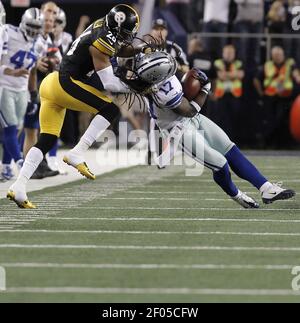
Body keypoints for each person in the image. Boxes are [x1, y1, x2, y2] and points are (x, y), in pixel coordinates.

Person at [116, 50, 295, 208]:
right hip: (179, 129)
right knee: (219, 163)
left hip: (194, 119)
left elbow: (135, 55)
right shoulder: (162, 94)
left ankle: (266, 188)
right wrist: (205, 89)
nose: (172, 68)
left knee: (229, 148)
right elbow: (189, 110)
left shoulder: (147, 70)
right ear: (156, 77)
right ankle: (236, 194)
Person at [7, 4, 140, 209]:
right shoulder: (102, 41)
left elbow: (118, 49)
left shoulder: (102, 27)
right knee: (110, 109)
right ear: (117, 28)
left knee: (47, 139)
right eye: (126, 33)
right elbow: (109, 83)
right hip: (64, 83)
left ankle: (19, 186)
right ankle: (77, 152)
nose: (128, 37)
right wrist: (138, 86)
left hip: (51, 84)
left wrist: (138, 51)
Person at [0, 8, 45, 181]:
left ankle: (5, 167)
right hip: (4, 86)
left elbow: (32, 72)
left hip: (21, 90)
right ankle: (21, 163)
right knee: (11, 128)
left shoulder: (39, 43)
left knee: (16, 129)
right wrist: (12, 72)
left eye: (37, 26)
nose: (34, 30)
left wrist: (33, 94)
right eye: (31, 25)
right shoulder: (7, 32)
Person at [23, 1, 61, 179]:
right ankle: (22, 165)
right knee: (27, 128)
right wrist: (35, 63)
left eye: (53, 14)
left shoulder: (49, 38)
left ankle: (40, 162)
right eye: (48, 13)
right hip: (28, 84)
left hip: (43, 84)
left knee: (39, 128)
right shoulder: (31, 34)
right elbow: (22, 53)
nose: (49, 18)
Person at [254, 46, 300, 148]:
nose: (278, 57)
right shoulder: (268, 65)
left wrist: (297, 78)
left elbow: (296, 75)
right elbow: (257, 79)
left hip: (286, 98)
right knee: (270, 121)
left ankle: (284, 144)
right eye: (275, 55)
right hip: (270, 97)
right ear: (272, 56)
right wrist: (261, 93)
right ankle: (269, 143)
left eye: (279, 55)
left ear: (283, 55)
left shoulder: (290, 64)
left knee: (283, 120)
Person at [213, 44, 244, 143]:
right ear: (223, 53)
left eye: (231, 53)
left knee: (234, 120)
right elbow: (220, 76)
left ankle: (234, 142)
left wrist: (226, 75)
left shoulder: (239, 63)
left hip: (234, 95)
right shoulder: (217, 63)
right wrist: (233, 75)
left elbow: (240, 75)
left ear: (234, 54)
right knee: (220, 120)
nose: (229, 55)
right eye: (227, 53)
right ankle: (220, 142)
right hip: (221, 96)